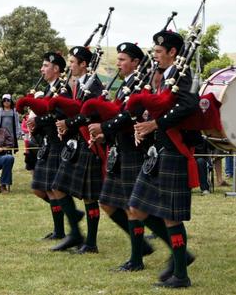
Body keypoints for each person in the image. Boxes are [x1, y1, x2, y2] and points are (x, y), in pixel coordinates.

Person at [128, 30, 197, 288]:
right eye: (155, 51)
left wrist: (155, 124)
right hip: (157, 152)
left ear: (172, 52)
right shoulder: (161, 78)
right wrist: (143, 127)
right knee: (136, 207)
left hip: (173, 152)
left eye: (159, 52)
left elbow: (189, 105)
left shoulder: (184, 76)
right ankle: (181, 256)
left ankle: (180, 274)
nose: (154, 56)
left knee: (171, 216)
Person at [88, 42, 156, 270]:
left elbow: (128, 116)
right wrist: (104, 135)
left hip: (133, 151)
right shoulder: (125, 85)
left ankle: (137, 258)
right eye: (117, 59)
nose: (118, 63)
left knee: (132, 208)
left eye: (122, 60)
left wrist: (103, 128)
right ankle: (142, 245)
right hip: (120, 149)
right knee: (107, 202)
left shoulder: (140, 86)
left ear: (136, 63)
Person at [51, 46, 104, 254]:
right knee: (57, 187)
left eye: (73, 62)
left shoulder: (95, 86)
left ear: (84, 64)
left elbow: (91, 114)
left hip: (88, 143)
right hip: (74, 144)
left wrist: (68, 123)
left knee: (90, 197)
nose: (70, 65)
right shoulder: (74, 85)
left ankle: (90, 242)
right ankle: (75, 232)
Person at [29, 52, 68, 240]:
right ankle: (64, 219)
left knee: (53, 189)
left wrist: (38, 119)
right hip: (47, 142)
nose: (41, 69)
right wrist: (34, 126)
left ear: (56, 69)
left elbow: (58, 113)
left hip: (59, 142)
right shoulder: (47, 91)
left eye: (45, 66)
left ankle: (60, 229)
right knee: (40, 188)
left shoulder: (62, 89)